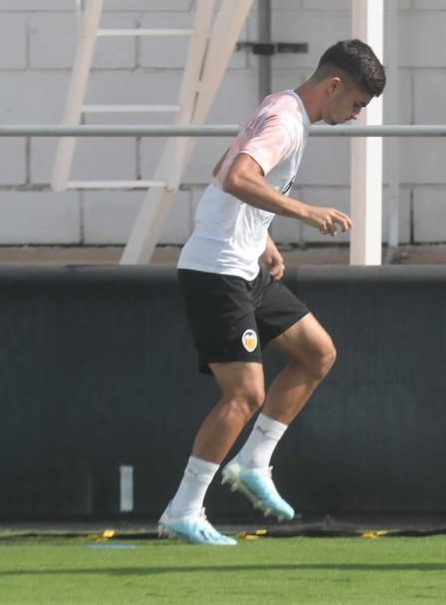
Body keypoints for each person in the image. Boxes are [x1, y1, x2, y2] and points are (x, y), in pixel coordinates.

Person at [158, 39, 386, 545]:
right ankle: (184, 510)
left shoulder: (279, 105)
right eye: (355, 105)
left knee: (317, 352)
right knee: (245, 395)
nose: (353, 116)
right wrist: (306, 212)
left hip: (245, 266)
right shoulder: (286, 120)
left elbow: (223, 168)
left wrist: (261, 238)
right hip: (217, 272)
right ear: (333, 86)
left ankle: (254, 461)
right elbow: (239, 176)